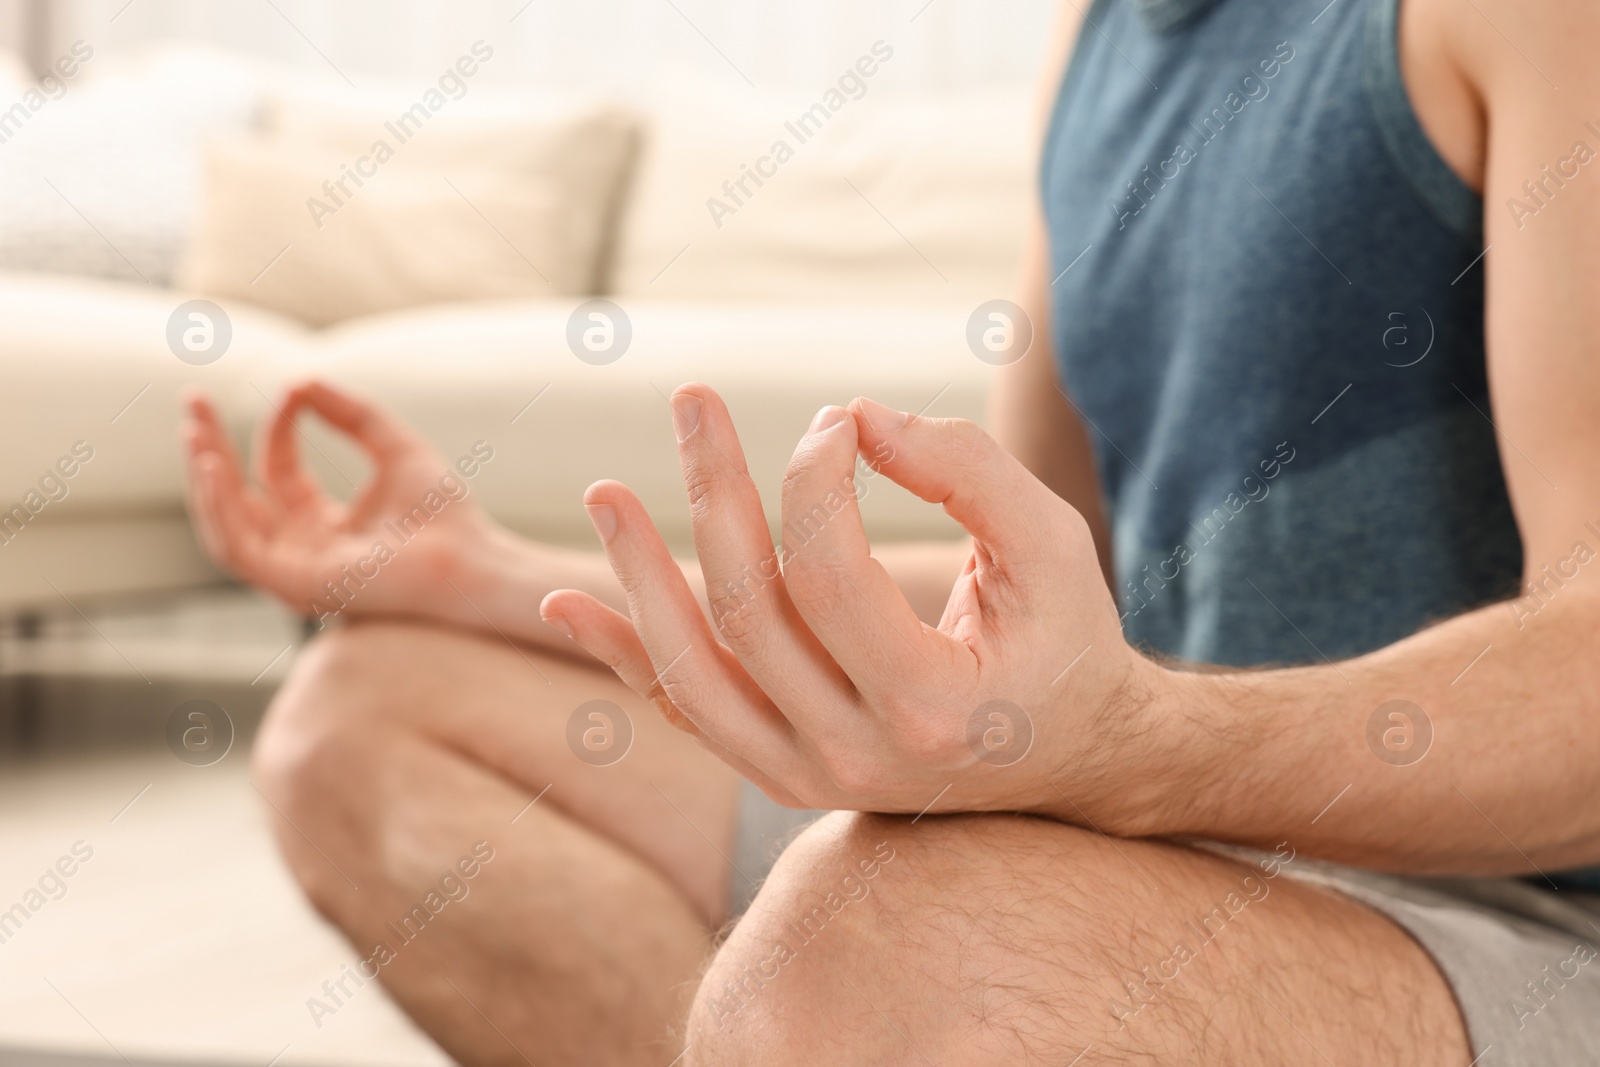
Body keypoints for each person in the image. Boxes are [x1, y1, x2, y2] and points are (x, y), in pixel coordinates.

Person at [182, 0, 1600, 1061]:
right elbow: (1059, 598)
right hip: (1190, 822)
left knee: (868, 951)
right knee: (370, 720)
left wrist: (1136, 749)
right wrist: (500, 578)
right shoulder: (1104, 37)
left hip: (1527, 919)